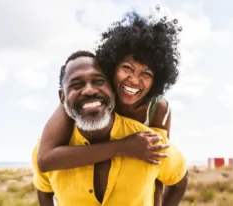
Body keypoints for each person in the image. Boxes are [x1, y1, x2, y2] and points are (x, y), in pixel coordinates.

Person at [37, 11, 188, 205]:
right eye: (127, 68)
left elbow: (158, 167)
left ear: (156, 81)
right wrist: (123, 147)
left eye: (147, 73)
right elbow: (46, 159)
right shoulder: (90, 99)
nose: (134, 80)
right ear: (111, 68)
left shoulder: (157, 108)